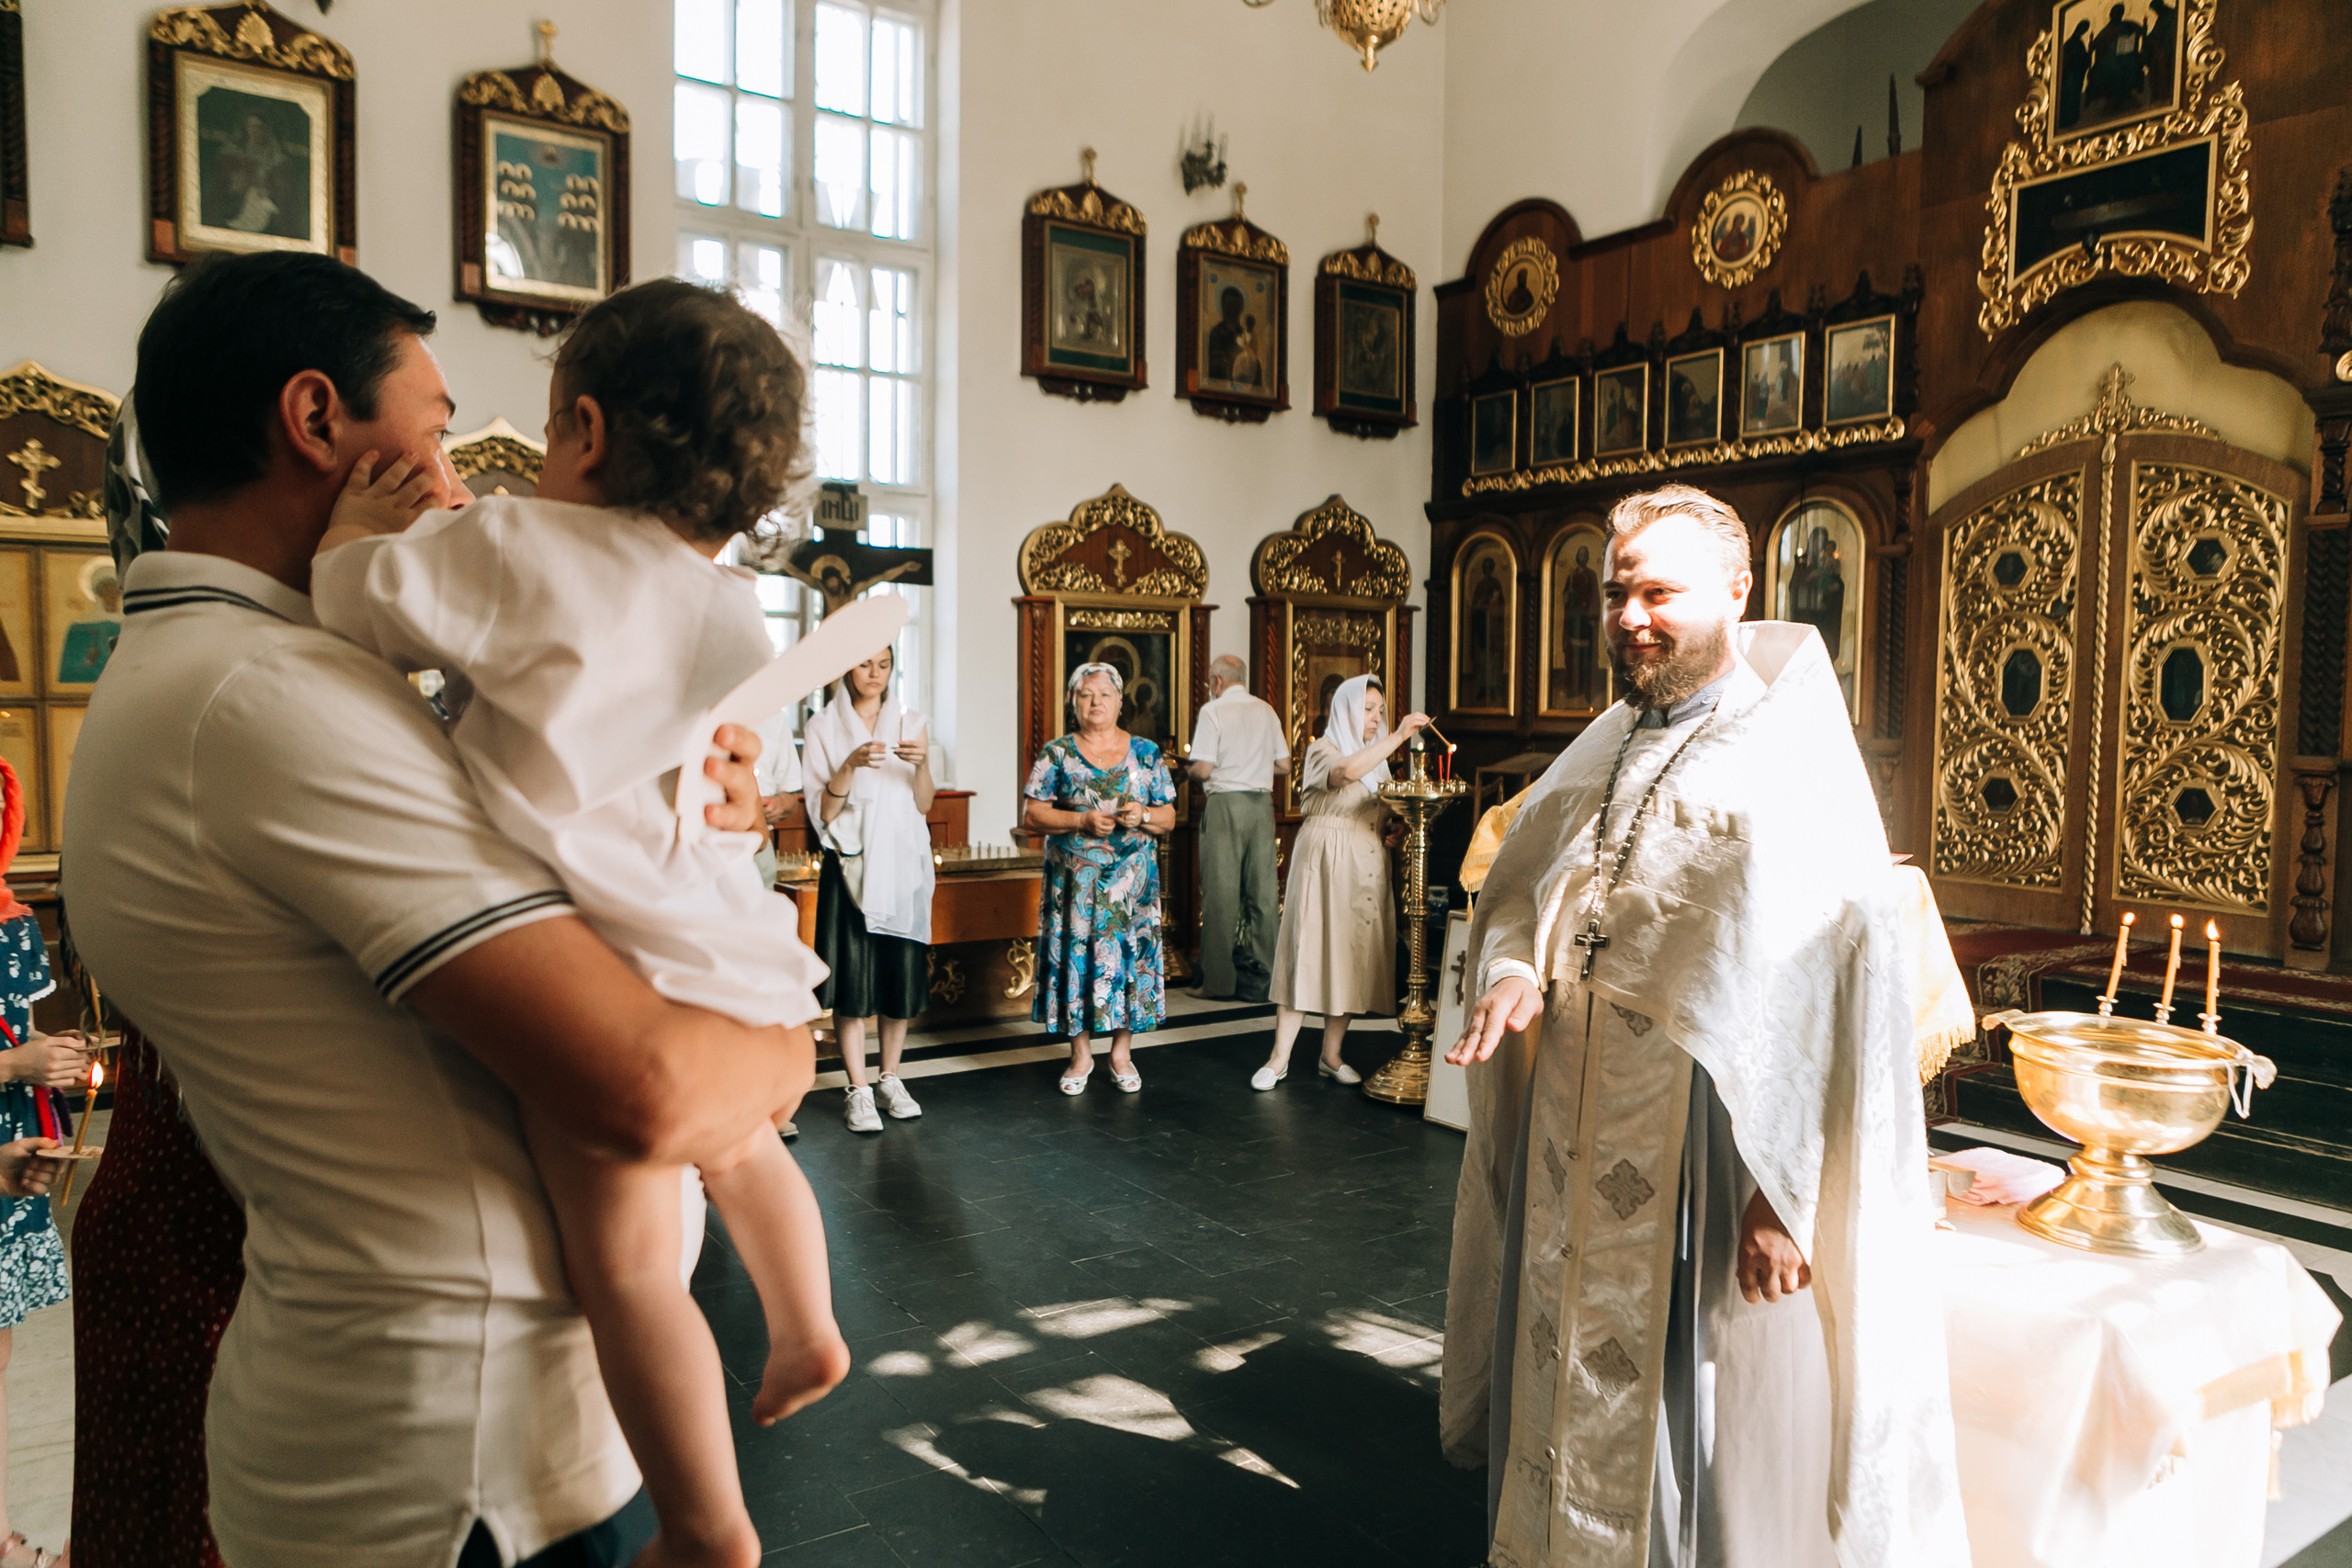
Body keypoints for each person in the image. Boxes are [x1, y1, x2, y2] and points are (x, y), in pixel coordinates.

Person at [64, 250, 809, 1568]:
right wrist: (784, 1040)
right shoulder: (265, 699)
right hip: (452, 1467)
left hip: (479, 1437)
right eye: (444, 428)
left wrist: (690, 806)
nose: (466, 482)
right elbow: (647, 1085)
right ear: (316, 421)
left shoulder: (268, 672)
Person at [311, 277, 851, 1561]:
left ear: (588, 434)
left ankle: (707, 1521)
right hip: (719, 935)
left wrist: (352, 530)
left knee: (626, 1270)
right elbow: (727, 764)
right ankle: (808, 1317)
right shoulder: (730, 607)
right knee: (746, 1150)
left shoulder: (516, 547)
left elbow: (357, 607)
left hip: (603, 941)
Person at [1440, 484, 1966, 1568]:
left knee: (1691, 1416)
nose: (1631, 617)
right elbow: (1520, 897)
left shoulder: (1789, 760)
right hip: (1569, 1125)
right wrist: (1511, 970)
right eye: (1615, 593)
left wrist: (1786, 1197)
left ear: (1737, 592)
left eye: (1659, 592)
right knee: (1558, 1350)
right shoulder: (1601, 746)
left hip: (1703, 1145)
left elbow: (1835, 1007)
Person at [1250, 675, 1425, 1091]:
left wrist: (1394, 828)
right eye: (1368, 709)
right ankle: (1279, 1058)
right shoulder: (1323, 749)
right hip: (1324, 860)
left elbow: (1380, 811)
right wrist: (1399, 733)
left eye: (1380, 710)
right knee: (1306, 950)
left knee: (1349, 956)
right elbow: (1345, 774)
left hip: (1365, 863)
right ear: (1346, 709)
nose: (1376, 717)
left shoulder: (1380, 761)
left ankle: (1332, 1055)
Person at [0, 757, 85, 1568]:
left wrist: (45, 1057)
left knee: (0, 1340)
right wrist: (15, 1068)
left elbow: (12, 1027)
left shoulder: (9, 914)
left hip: (8, 1159)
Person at [1021, 663, 1175, 1095]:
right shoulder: (1057, 753)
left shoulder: (1145, 753)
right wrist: (1081, 819)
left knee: (1129, 959)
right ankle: (1081, 1054)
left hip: (1132, 889)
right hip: (1076, 887)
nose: (1096, 703)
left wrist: (1142, 814)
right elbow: (1032, 814)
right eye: (1087, 695)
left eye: (1105, 695)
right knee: (1077, 959)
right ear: (1073, 702)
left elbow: (1169, 817)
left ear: (1121, 702)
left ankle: (1121, 1053)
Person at [801, 646, 936, 1134]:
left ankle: (891, 1077)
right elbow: (824, 813)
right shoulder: (822, 728)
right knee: (854, 982)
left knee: (898, 977)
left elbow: (923, 803)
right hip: (853, 867)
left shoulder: (911, 721)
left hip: (902, 864)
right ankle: (857, 1088)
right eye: (864, 664)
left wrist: (921, 766)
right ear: (846, 667)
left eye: (883, 664)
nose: (874, 674)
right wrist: (851, 764)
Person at [1185, 653, 1289, 1004]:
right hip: (1262, 807)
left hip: (1226, 804)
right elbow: (1285, 765)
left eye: (1208, 684)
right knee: (1263, 895)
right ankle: (1267, 981)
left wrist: (1189, 771)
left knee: (1220, 893)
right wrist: (1253, 766)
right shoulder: (1266, 710)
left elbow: (1203, 768)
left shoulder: (1213, 711)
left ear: (1216, 682)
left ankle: (1218, 982)